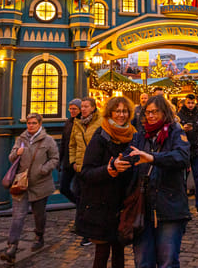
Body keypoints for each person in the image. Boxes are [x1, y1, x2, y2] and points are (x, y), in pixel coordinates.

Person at [127, 94, 191, 268]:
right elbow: (130, 156)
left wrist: (153, 158)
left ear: (164, 112)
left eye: (155, 112)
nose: (151, 116)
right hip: (143, 207)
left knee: (168, 261)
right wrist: (115, 164)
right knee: (143, 262)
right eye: (148, 112)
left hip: (169, 205)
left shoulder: (175, 131)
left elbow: (182, 157)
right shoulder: (141, 135)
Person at [75, 97, 137, 268]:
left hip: (123, 202)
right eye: (117, 111)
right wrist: (109, 169)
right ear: (110, 112)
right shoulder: (100, 136)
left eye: (124, 111)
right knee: (102, 253)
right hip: (101, 204)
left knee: (119, 251)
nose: (121, 115)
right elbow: (86, 172)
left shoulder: (133, 134)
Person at [1, 113, 59, 263]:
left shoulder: (48, 141)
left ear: (40, 124)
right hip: (21, 184)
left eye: (33, 123)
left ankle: (39, 235)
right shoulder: (21, 139)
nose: (30, 125)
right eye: (28, 123)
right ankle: (12, 246)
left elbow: (55, 159)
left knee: (38, 214)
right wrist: (16, 153)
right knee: (18, 216)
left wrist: (44, 169)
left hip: (40, 185)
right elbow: (11, 157)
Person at [69, 97, 103, 246]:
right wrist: (74, 162)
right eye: (82, 106)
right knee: (81, 196)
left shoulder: (100, 122)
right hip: (81, 167)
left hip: (95, 167)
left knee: (92, 199)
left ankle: (89, 231)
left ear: (93, 108)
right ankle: (83, 228)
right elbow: (72, 144)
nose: (83, 109)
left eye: (86, 106)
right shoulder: (77, 123)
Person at [177, 93, 198, 218]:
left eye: (192, 103)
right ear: (185, 103)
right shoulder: (179, 116)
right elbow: (176, 134)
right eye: (188, 103)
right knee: (182, 181)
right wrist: (182, 129)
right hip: (184, 151)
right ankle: (183, 207)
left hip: (197, 151)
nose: (190, 105)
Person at [60, 98, 82, 205]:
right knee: (63, 188)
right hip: (68, 161)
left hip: (78, 162)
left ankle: (80, 213)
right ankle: (79, 205)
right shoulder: (68, 122)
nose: (72, 111)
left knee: (78, 189)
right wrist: (60, 160)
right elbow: (64, 142)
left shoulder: (83, 122)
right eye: (70, 109)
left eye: (75, 109)